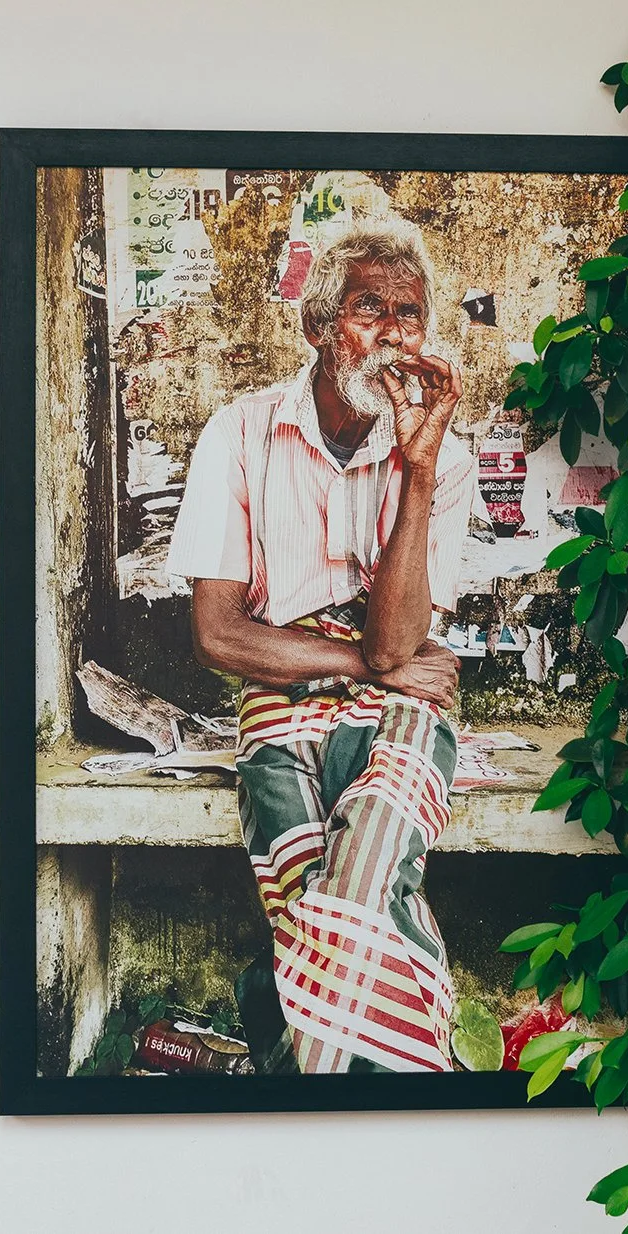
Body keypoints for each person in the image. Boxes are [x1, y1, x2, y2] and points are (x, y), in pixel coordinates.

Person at [165, 219, 476, 1074]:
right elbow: (219, 635)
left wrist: (417, 468)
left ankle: (290, 1059)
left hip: (407, 694)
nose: (392, 335)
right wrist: (358, 663)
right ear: (317, 328)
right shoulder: (238, 432)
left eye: (408, 315)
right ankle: (418, 1077)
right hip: (281, 686)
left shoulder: (443, 459)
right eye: (366, 308)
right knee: (306, 866)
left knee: (369, 861)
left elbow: (397, 642)